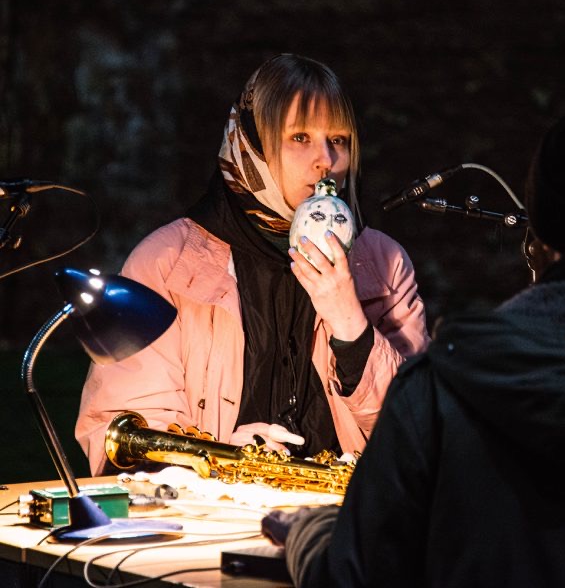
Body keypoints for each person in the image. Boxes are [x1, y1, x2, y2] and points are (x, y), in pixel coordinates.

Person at [262, 106, 565, 587]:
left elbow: (354, 575)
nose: (325, 159)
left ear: (539, 239)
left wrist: (310, 533)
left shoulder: (444, 387)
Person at [75, 53, 430, 476]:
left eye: (338, 140)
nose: (325, 160)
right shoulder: (166, 261)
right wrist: (221, 456)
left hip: (344, 509)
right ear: (252, 145)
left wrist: (350, 324)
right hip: (211, 507)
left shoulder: (383, 262)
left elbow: (420, 432)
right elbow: (124, 429)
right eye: (300, 137)